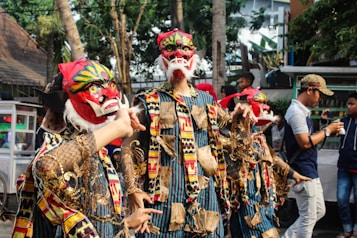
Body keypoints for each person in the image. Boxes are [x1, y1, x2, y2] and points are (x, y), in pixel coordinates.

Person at [121, 29, 256, 237]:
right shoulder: (147, 101)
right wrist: (132, 190)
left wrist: (242, 112)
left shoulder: (207, 100)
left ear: (193, 57)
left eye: (184, 49)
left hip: (204, 200)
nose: (178, 54)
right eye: (171, 49)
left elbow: (231, 124)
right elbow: (127, 148)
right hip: (162, 203)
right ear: (161, 56)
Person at [11, 58, 162, 238]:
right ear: (64, 101)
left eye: (111, 84)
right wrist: (117, 127)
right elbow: (46, 166)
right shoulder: (58, 144)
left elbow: (100, 219)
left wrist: (127, 222)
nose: (109, 93)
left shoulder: (99, 152)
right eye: (93, 87)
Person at [281, 74, 344, 238]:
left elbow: (308, 140)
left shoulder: (301, 112)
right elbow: (305, 143)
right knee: (309, 217)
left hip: (309, 169)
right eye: (319, 93)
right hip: (302, 171)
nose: (320, 98)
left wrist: (325, 128)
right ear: (310, 90)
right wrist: (327, 130)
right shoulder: (296, 112)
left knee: (318, 211)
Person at [336, 92, 357, 238]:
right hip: (344, 167)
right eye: (347, 104)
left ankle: (356, 229)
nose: (348, 107)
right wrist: (325, 123)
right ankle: (347, 228)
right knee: (341, 199)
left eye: (352, 104)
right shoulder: (343, 121)